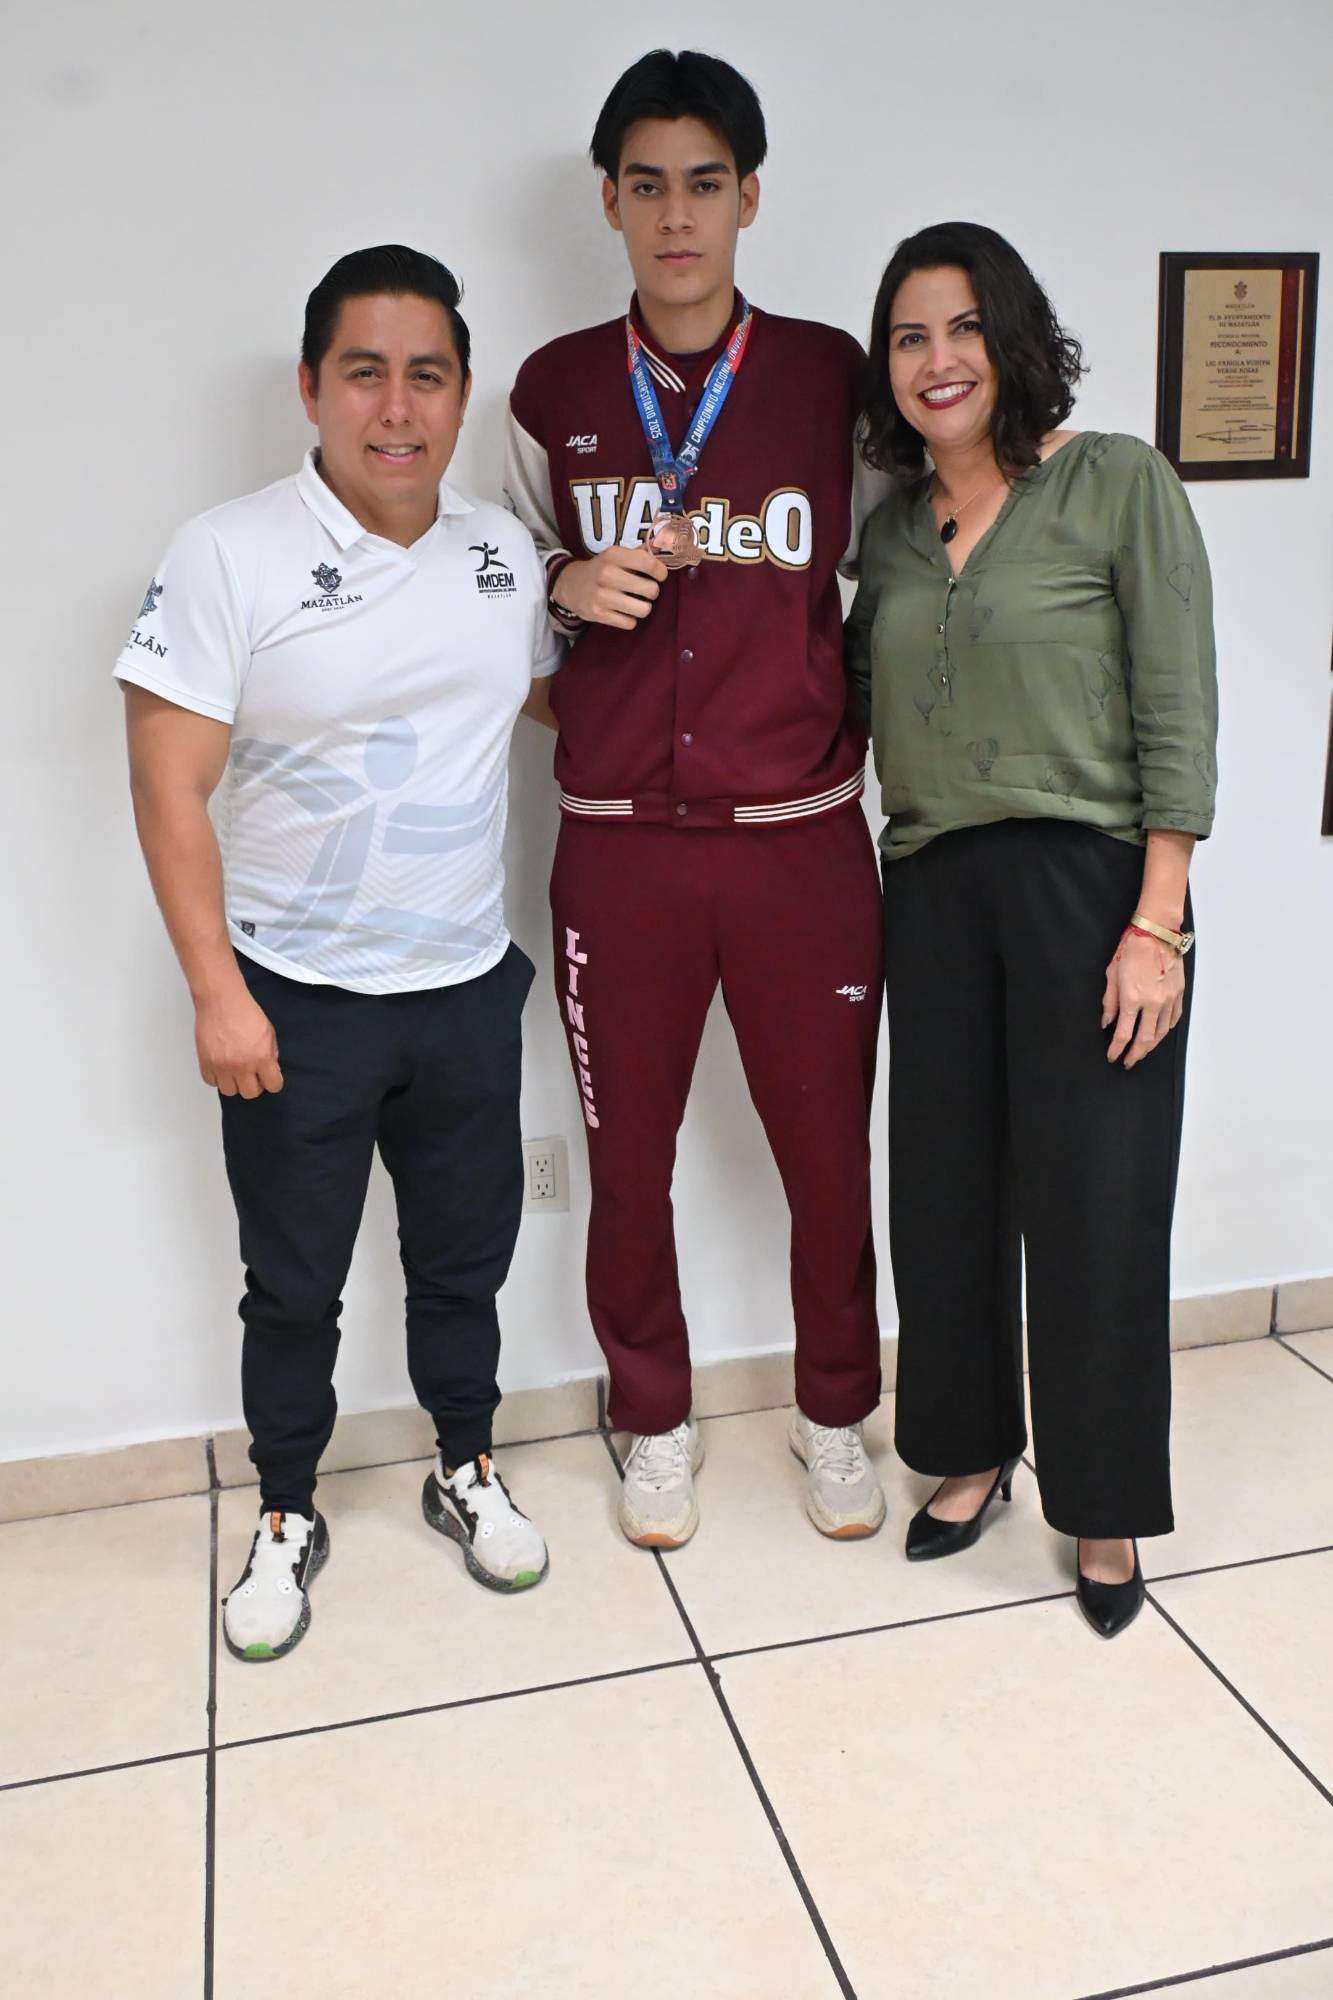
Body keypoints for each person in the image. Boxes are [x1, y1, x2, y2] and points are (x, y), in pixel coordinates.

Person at [116, 246, 562, 1662]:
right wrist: (217, 997)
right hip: (293, 1003)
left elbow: (557, 700)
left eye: (425, 374)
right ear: (311, 388)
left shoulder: (499, 551)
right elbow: (164, 781)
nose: (395, 405)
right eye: (362, 371)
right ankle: (289, 1510)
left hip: (460, 986)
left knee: (461, 1261)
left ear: (460, 391)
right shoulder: (228, 551)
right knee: (294, 1282)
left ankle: (466, 1464)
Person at [505, 50, 888, 1549]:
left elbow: (892, 582)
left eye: (706, 184)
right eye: (648, 185)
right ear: (607, 202)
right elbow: (501, 617)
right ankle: (650, 1421)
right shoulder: (548, 390)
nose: (678, 216)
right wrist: (557, 582)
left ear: (749, 198)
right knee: (629, 1161)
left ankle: (837, 1413)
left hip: (799, 846)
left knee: (825, 1155)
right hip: (617, 855)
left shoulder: (826, 382)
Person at [845, 221, 1218, 1637]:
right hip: (934, 887)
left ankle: (1103, 1497)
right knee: (940, 1194)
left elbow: (1178, 703)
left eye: (959, 327)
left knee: (1095, 1208)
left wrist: (1157, 924)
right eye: (907, 336)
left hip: (1091, 889)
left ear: (1009, 337)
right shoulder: (887, 536)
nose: (936, 360)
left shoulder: (1114, 483)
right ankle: (969, 1448)